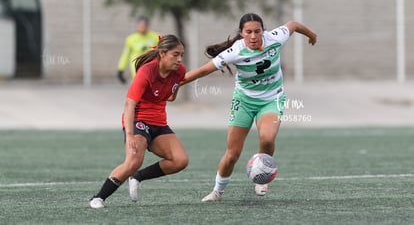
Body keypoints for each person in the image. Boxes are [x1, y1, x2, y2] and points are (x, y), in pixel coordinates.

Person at [182, 13, 317, 201]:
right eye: (248, 32)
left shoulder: (274, 38)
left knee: (267, 139)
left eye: (257, 31)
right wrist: (176, 83)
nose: (253, 36)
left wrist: (312, 35)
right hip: (244, 101)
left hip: (272, 98)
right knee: (232, 154)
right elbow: (204, 70)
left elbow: (293, 25)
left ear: (263, 31)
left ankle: (262, 178)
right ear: (241, 33)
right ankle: (217, 192)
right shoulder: (235, 51)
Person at [90, 35, 188, 209]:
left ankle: (137, 177)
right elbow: (129, 104)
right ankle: (98, 198)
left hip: (159, 122)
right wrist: (129, 135)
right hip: (138, 119)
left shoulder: (179, 70)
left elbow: (171, 97)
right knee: (133, 161)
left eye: (182, 54)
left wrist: (177, 83)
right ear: (162, 53)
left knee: (180, 160)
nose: (179, 59)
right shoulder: (146, 71)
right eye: (175, 54)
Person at [117, 15, 159, 84]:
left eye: (144, 25)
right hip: (137, 72)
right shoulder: (131, 39)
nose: (142, 27)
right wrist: (121, 69)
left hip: (152, 71)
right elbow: (125, 55)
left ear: (147, 26)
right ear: (137, 26)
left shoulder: (155, 37)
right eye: (140, 25)